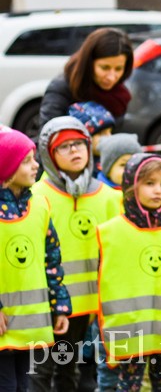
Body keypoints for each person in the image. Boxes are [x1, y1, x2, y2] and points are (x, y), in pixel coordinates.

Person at [27, 117, 122, 392]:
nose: (75, 151)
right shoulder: (37, 196)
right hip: (48, 304)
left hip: (90, 307)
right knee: (41, 373)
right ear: (49, 154)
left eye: (79, 143)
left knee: (71, 371)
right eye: (64, 146)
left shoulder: (109, 196)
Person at [96, 153, 161, 391]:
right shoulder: (111, 232)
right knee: (129, 385)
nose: (158, 191)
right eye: (149, 183)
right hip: (131, 331)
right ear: (130, 187)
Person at [0, 128, 71, 392]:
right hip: (3, 324)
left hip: (31, 323)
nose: (36, 165)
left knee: (23, 384)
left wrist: (59, 305)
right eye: (27, 160)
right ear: (7, 169)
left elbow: (51, 260)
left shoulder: (40, 206)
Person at [39, 28, 134, 135]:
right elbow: (48, 136)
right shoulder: (63, 88)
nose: (111, 77)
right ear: (89, 63)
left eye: (118, 69)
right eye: (104, 68)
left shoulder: (120, 96)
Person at [68, 101, 116, 176]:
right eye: (101, 134)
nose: (109, 137)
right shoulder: (79, 168)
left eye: (110, 132)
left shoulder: (113, 159)